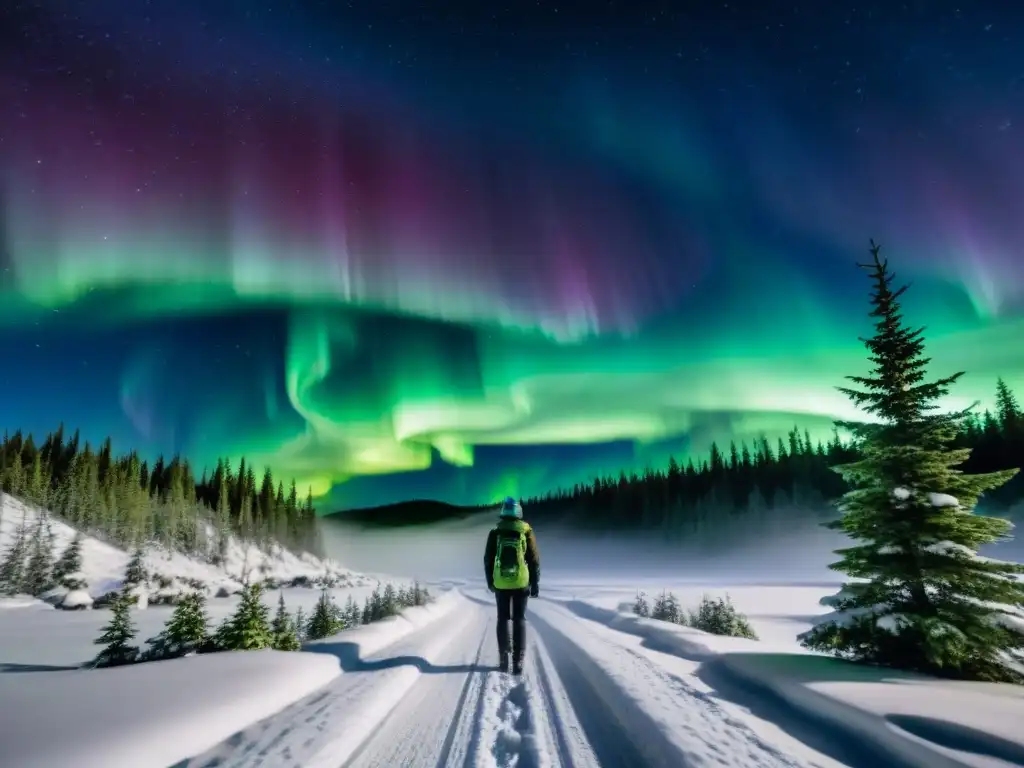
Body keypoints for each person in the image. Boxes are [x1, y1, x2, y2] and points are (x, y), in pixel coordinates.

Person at [484, 496, 540, 674]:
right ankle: (518, 662)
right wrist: (535, 583)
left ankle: (503, 658)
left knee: (502, 619)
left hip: (500, 582)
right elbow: (533, 559)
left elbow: (488, 559)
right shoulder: (526, 531)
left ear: (503, 511)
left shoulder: (495, 532)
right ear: (518, 512)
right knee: (519, 619)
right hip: (521, 582)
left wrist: (490, 582)